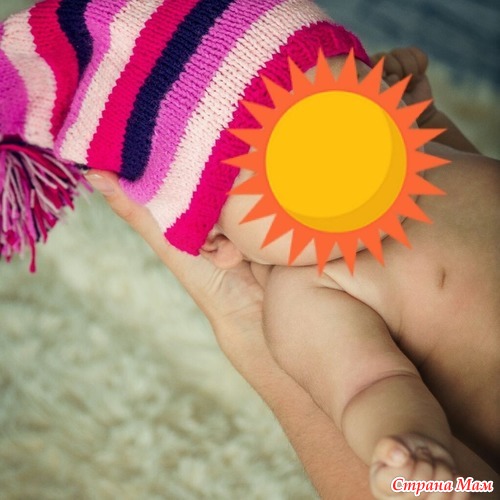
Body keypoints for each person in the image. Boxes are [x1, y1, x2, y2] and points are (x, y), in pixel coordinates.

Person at [86, 47, 499, 498]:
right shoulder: (308, 292)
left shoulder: (424, 156)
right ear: (218, 241)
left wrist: (431, 118)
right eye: (284, 157)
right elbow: (371, 384)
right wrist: (413, 439)